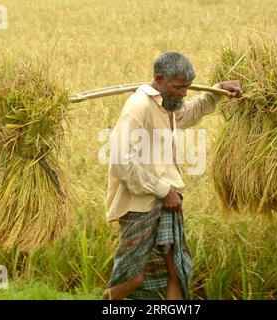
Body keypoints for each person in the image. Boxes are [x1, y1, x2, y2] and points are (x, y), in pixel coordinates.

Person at [102, 51, 242, 300]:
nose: (184, 93)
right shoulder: (139, 106)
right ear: (159, 79)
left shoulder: (167, 105)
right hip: (140, 205)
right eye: (179, 87)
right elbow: (120, 163)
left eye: (187, 87)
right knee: (133, 277)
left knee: (173, 273)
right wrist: (162, 190)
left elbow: (188, 112)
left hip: (167, 201)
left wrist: (219, 90)